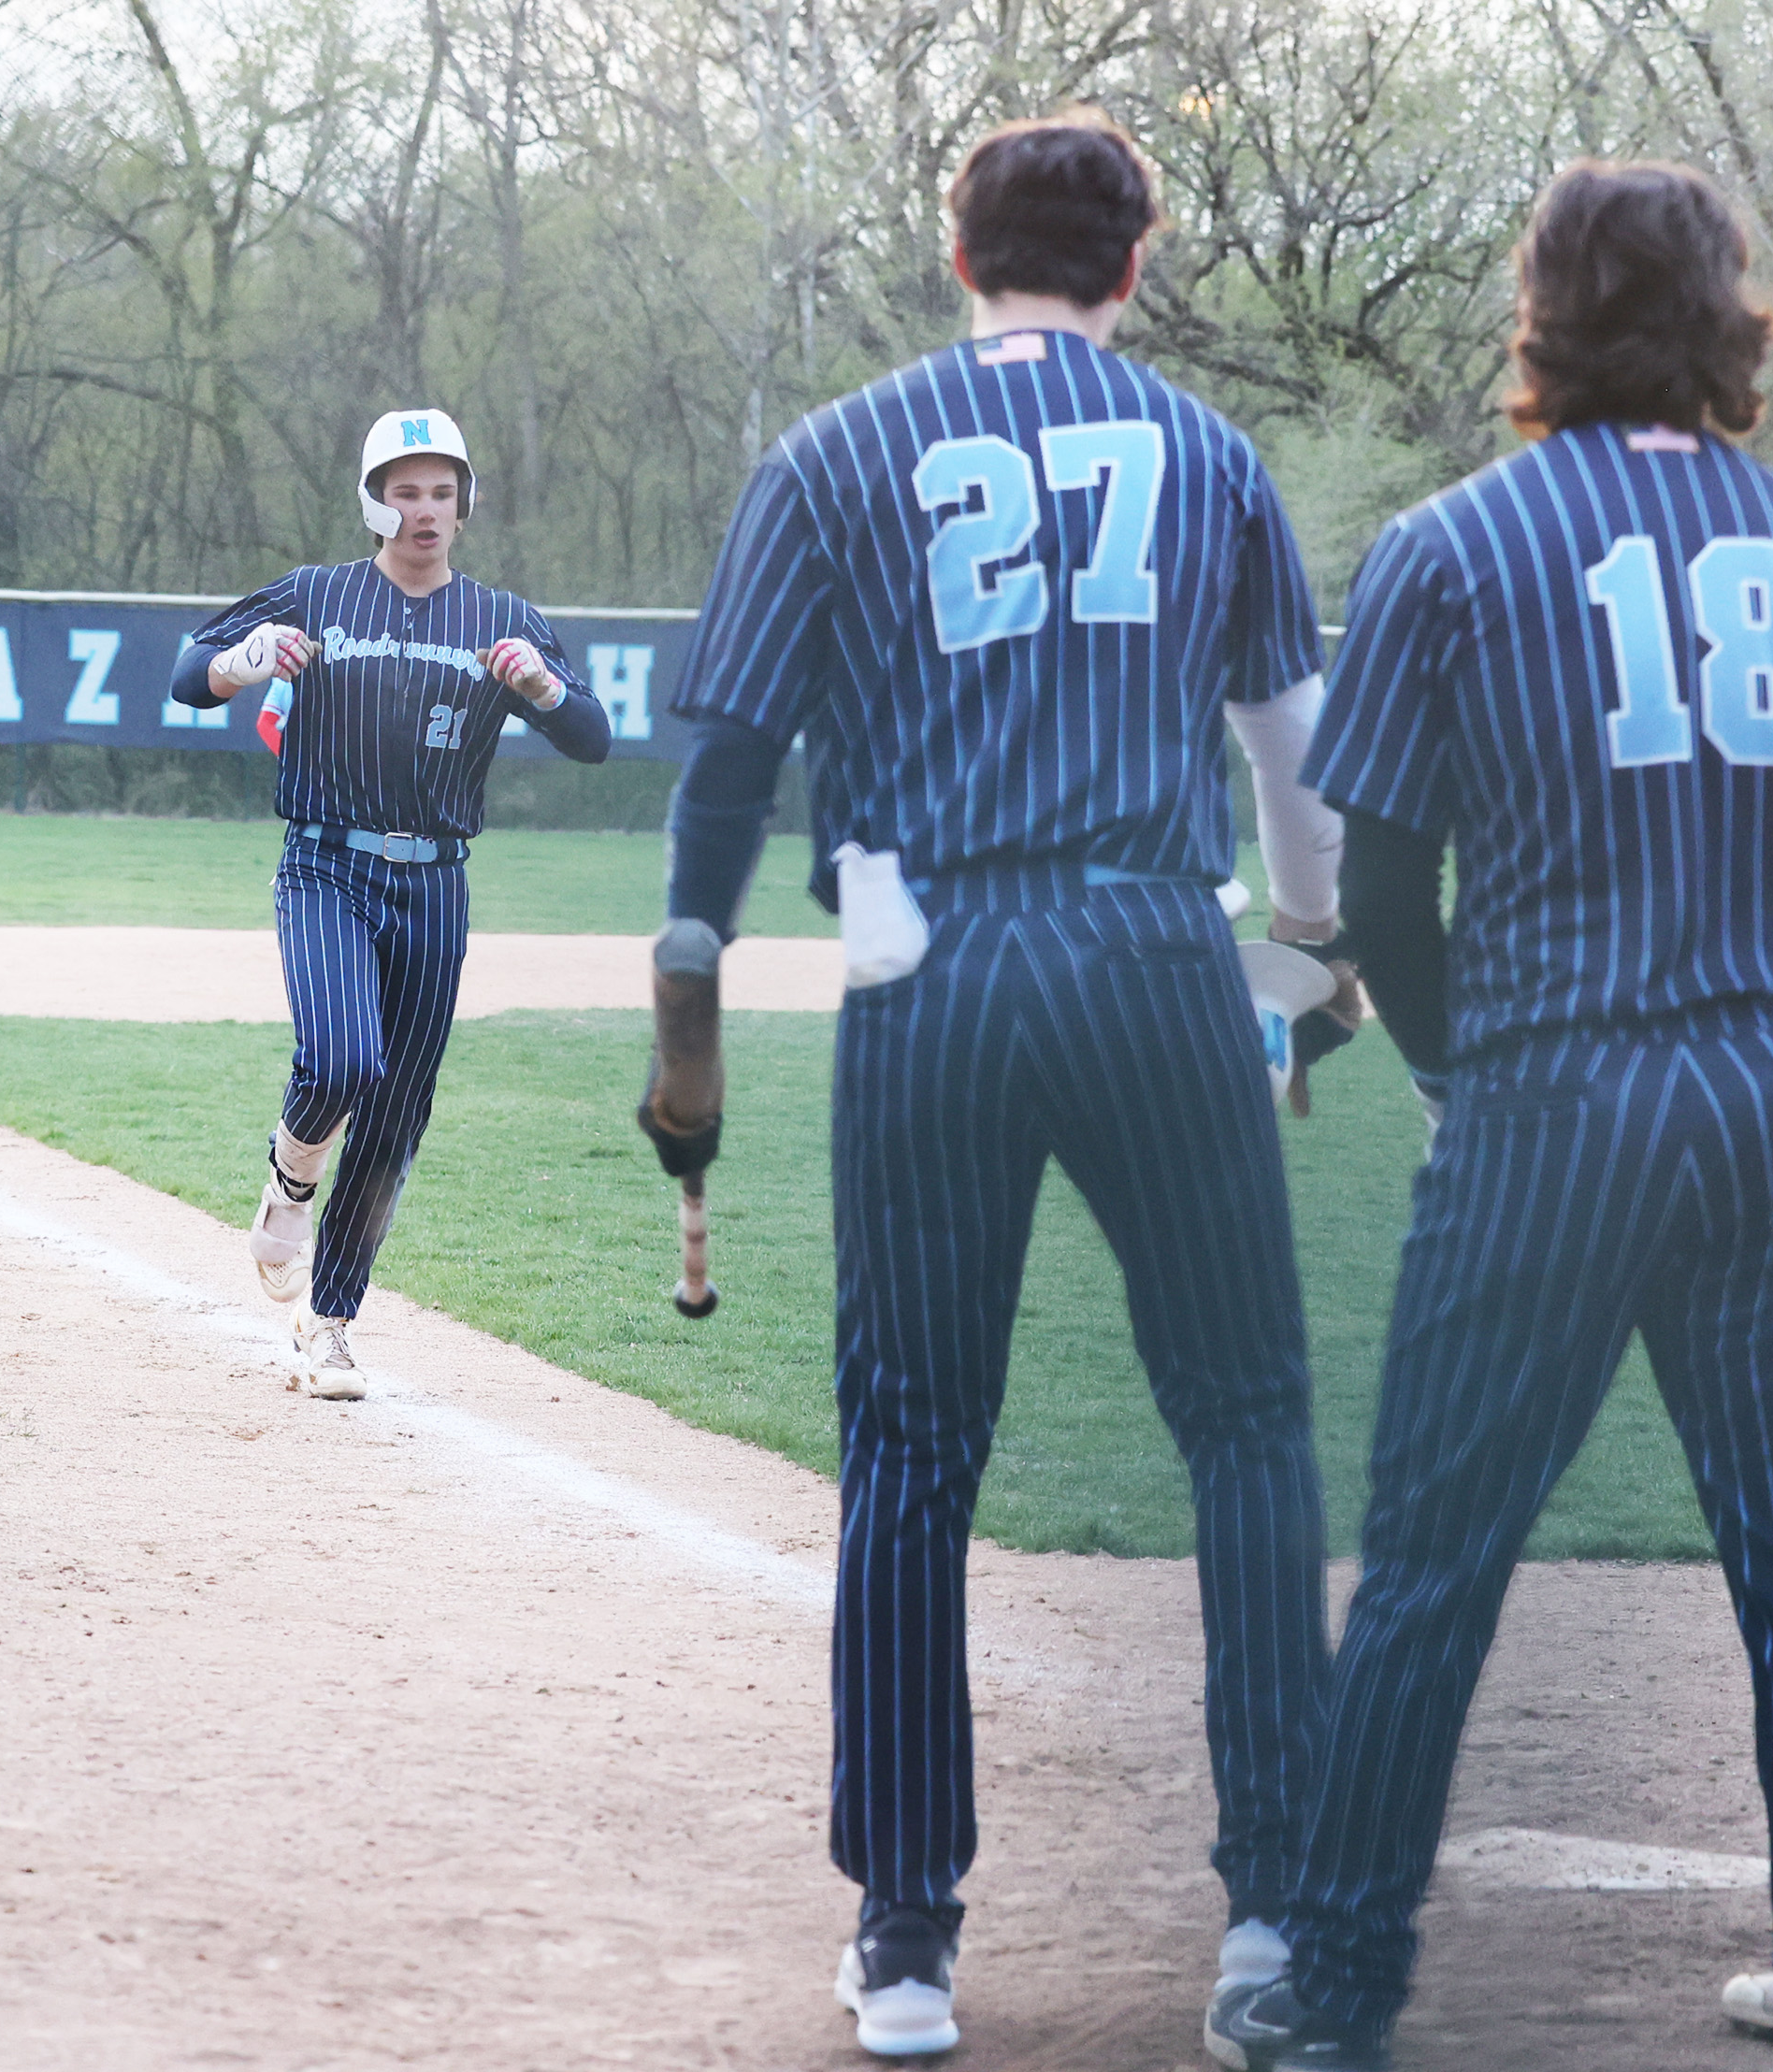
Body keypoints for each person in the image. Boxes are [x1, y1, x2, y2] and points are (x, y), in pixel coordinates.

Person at [641, 112, 1349, 2058]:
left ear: (961, 261)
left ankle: (906, 1940)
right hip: (1147, 951)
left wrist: (688, 971)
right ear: (1136, 269)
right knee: (1249, 1428)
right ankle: (1278, 1921)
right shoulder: (1207, 456)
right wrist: (1310, 956)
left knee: (913, 1446)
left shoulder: (840, 450)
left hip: (924, 961)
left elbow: (726, 758)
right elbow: (1293, 754)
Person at [1206, 160, 1773, 2072]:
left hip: (1554, 1100)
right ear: (1728, 316)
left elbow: (1372, 896)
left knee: (1440, 1561)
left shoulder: (1456, 546)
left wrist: (1454, 1071)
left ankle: (1341, 1985)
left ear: (1541, 314)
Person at [176, 409, 611, 1396]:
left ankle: (327, 1323)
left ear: (466, 504)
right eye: (405, 490)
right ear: (375, 500)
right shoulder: (316, 595)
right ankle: (289, 1186)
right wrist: (249, 660)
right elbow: (184, 675)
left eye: (442, 491)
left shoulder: (503, 618)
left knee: (398, 1110)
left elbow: (592, 737)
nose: (424, 509)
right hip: (326, 861)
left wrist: (542, 686)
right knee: (341, 1057)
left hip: (436, 880)